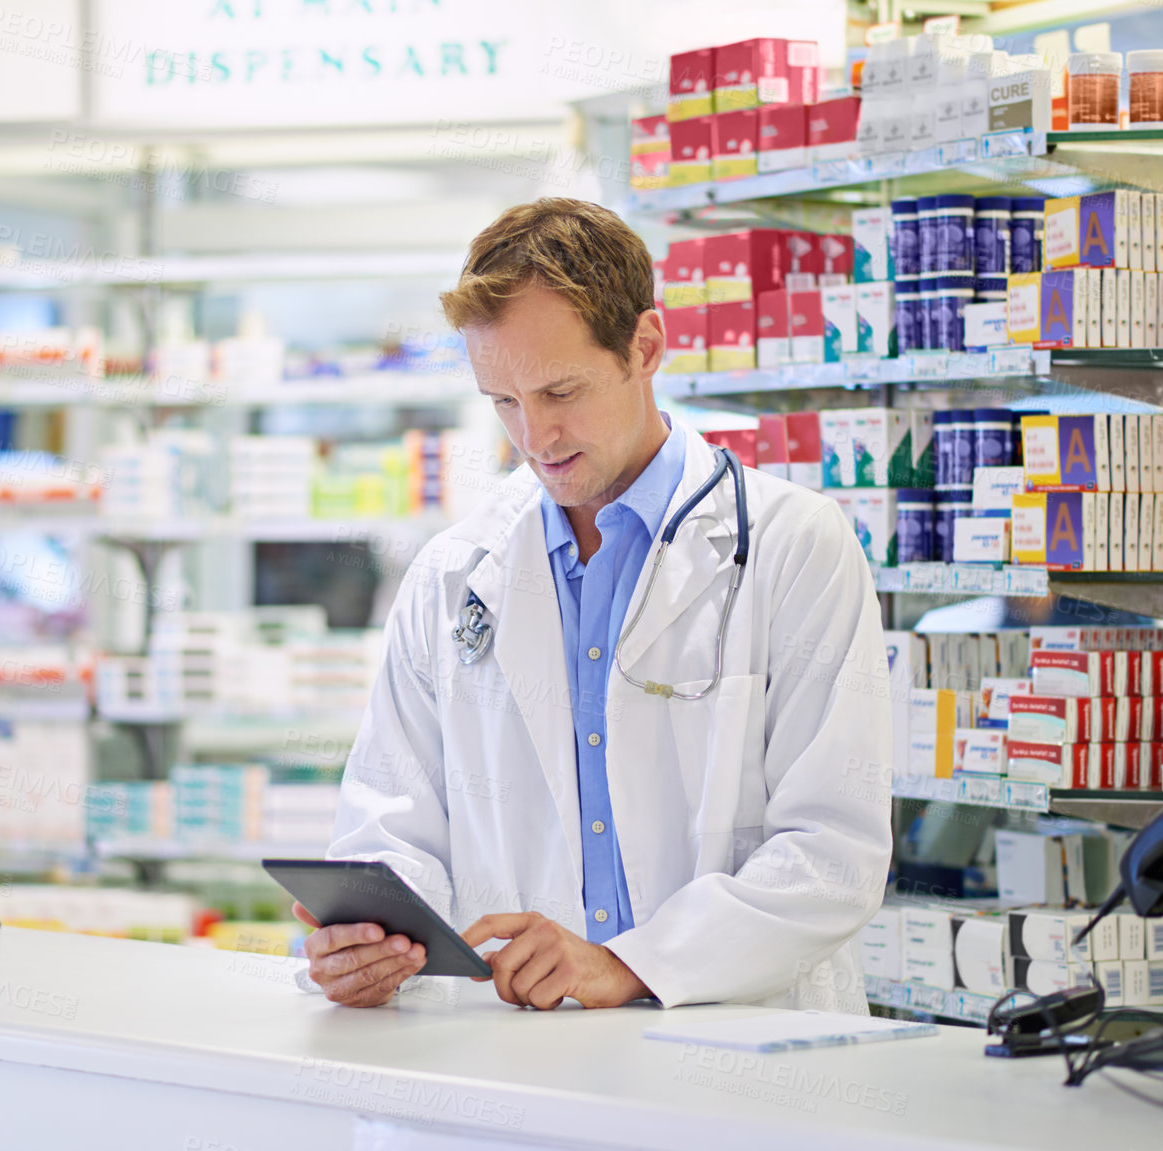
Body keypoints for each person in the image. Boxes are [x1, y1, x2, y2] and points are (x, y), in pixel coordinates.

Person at [296, 198, 894, 1011]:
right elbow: (391, 821)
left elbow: (833, 853)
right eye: (503, 402)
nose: (534, 435)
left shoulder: (796, 546)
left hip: (740, 1058)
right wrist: (369, 941)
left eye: (560, 390)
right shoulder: (453, 575)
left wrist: (633, 962)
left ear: (645, 346)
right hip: (523, 1059)